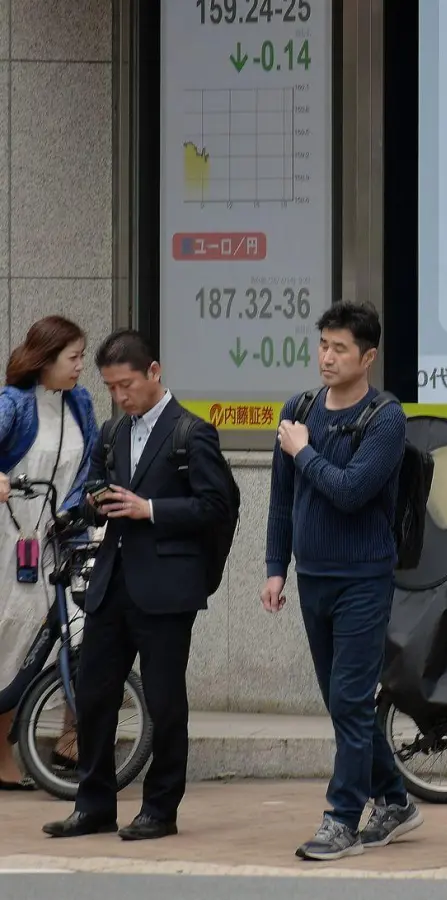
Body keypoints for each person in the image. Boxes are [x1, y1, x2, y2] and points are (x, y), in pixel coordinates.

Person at [43, 330, 229, 842]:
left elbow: (216, 506)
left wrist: (149, 509)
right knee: (94, 696)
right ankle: (93, 805)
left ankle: (160, 810)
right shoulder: (112, 432)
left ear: (154, 372)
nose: (120, 396)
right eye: (110, 387)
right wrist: (91, 504)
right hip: (111, 582)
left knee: (165, 703)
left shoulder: (192, 432)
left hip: (166, 588)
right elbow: (93, 497)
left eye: (126, 384)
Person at [261, 302, 422, 861]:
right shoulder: (299, 408)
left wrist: (303, 450)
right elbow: (281, 499)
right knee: (341, 702)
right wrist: (275, 567)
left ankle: (342, 819)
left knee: (350, 700)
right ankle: (396, 801)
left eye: (340, 348)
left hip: (364, 578)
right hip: (313, 577)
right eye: (323, 345)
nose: (327, 357)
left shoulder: (385, 418)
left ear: (367, 356)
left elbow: (351, 491)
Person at [0, 316, 95, 791]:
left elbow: (89, 466)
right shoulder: (13, 403)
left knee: (76, 632)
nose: (80, 366)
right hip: (9, 538)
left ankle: (69, 741)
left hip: (59, 541)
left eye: (82, 357)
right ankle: (3, 752)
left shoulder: (80, 402)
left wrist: (77, 513)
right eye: (73, 357)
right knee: (13, 639)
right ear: (46, 358)